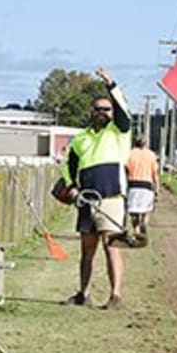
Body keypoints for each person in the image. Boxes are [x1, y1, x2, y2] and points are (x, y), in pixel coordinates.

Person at [59, 66, 132, 310]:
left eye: (106, 109)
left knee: (111, 246)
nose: (102, 112)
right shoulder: (80, 139)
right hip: (85, 200)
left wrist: (110, 84)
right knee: (87, 250)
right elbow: (67, 166)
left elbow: (123, 109)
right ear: (91, 112)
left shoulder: (119, 131)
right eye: (98, 109)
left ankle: (116, 295)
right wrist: (71, 187)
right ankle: (84, 294)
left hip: (111, 198)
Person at [125, 136, 159, 236]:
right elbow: (155, 174)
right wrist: (157, 188)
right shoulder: (151, 155)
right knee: (147, 209)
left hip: (133, 185)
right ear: (145, 144)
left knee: (134, 211)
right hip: (147, 185)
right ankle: (144, 222)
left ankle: (136, 230)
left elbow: (126, 170)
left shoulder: (129, 154)